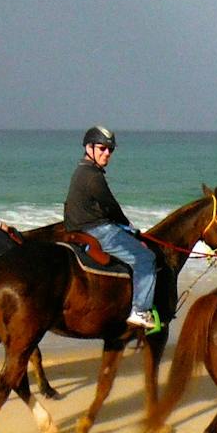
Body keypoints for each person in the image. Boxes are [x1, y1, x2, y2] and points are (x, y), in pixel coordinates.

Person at [62, 125, 161, 333]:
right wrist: (131, 229)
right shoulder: (92, 176)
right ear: (88, 148)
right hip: (98, 231)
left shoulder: (81, 171)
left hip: (80, 230)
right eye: (102, 148)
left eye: (110, 149)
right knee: (146, 258)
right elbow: (111, 207)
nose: (107, 153)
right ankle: (140, 310)